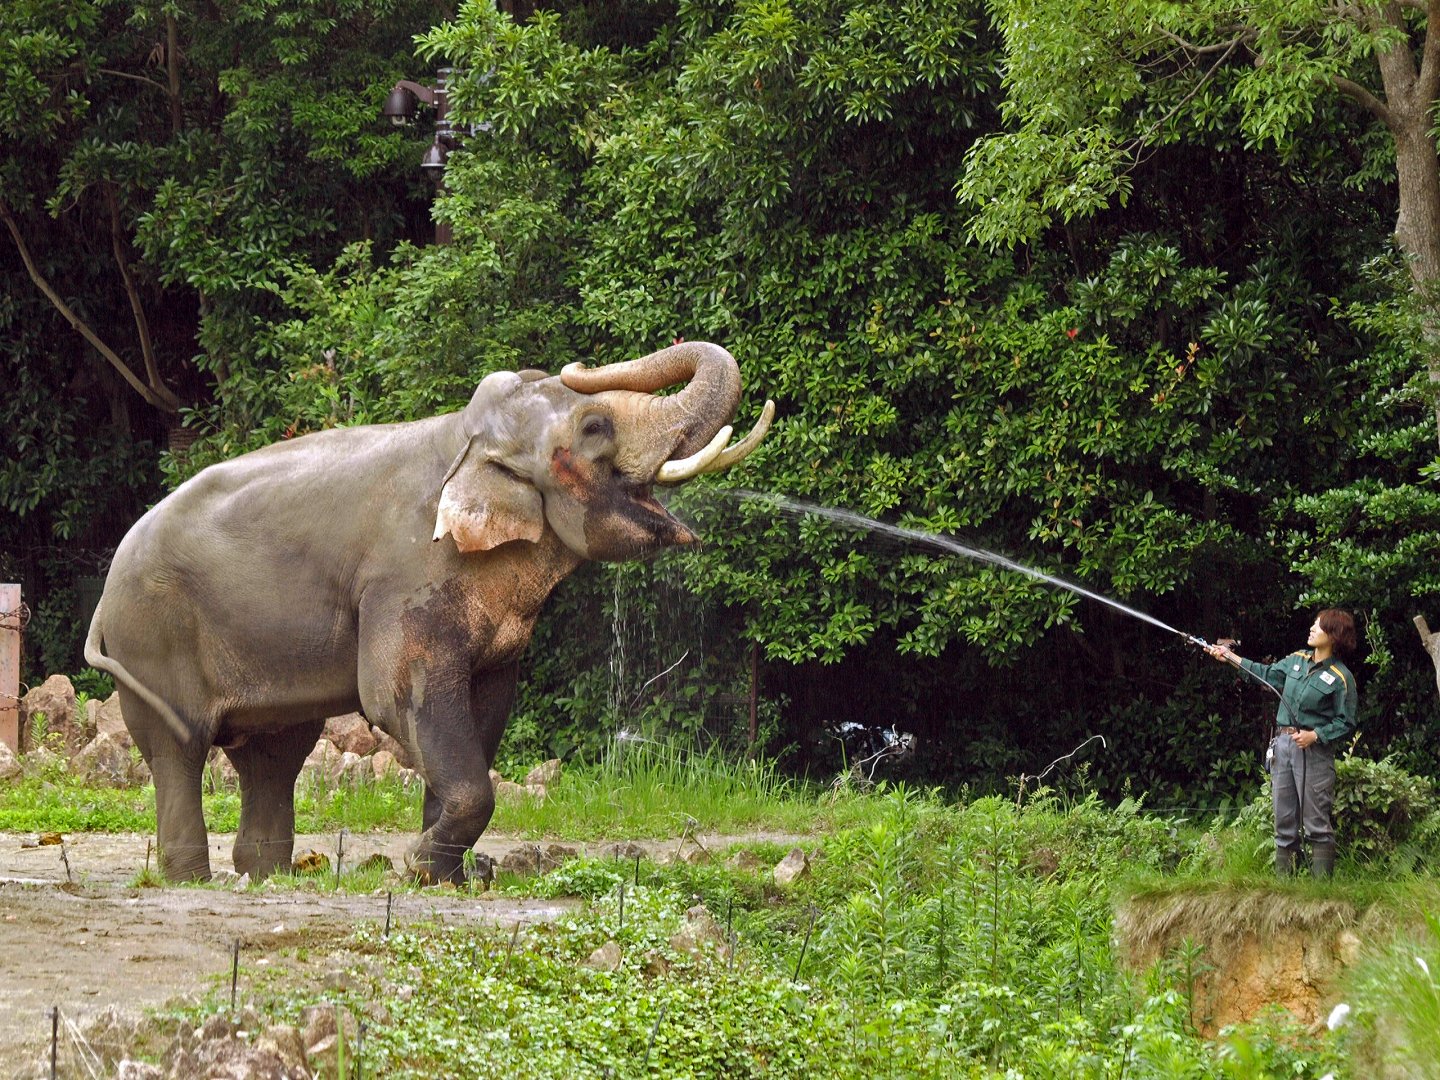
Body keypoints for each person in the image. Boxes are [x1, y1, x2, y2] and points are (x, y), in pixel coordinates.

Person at [1207, 610, 1359, 878]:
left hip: (1314, 752)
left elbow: (1346, 722)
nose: (1312, 628)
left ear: (1333, 635)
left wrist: (1316, 735)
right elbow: (1263, 673)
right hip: (1283, 747)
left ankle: (1320, 892)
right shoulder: (1296, 660)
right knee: (1284, 821)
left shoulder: (1340, 677)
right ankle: (1283, 887)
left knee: (1316, 824)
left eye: (1319, 625)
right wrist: (1228, 657)